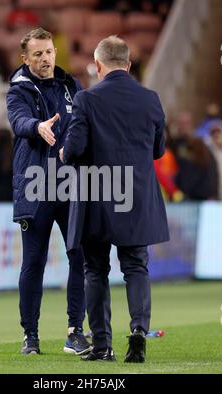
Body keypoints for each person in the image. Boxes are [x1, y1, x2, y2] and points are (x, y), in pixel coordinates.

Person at [61, 36, 169, 362]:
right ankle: (138, 331)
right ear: (129, 64)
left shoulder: (86, 99)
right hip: (136, 196)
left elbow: (76, 148)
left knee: (95, 269)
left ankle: (102, 344)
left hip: (98, 195)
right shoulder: (150, 99)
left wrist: (66, 152)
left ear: (97, 65)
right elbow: (158, 150)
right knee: (136, 267)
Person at [6, 28, 91, 356]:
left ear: (56, 52)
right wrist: (37, 126)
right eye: (38, 54)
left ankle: (75, 331)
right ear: (25, 59)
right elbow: (19, 121)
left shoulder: (72, 86)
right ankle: (30, 335)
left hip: (70, 184)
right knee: (34, 261)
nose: (45, 59)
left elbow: (85, 125)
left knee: (79, 257)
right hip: (35, 185)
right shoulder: (18, 91)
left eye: (49, 52)